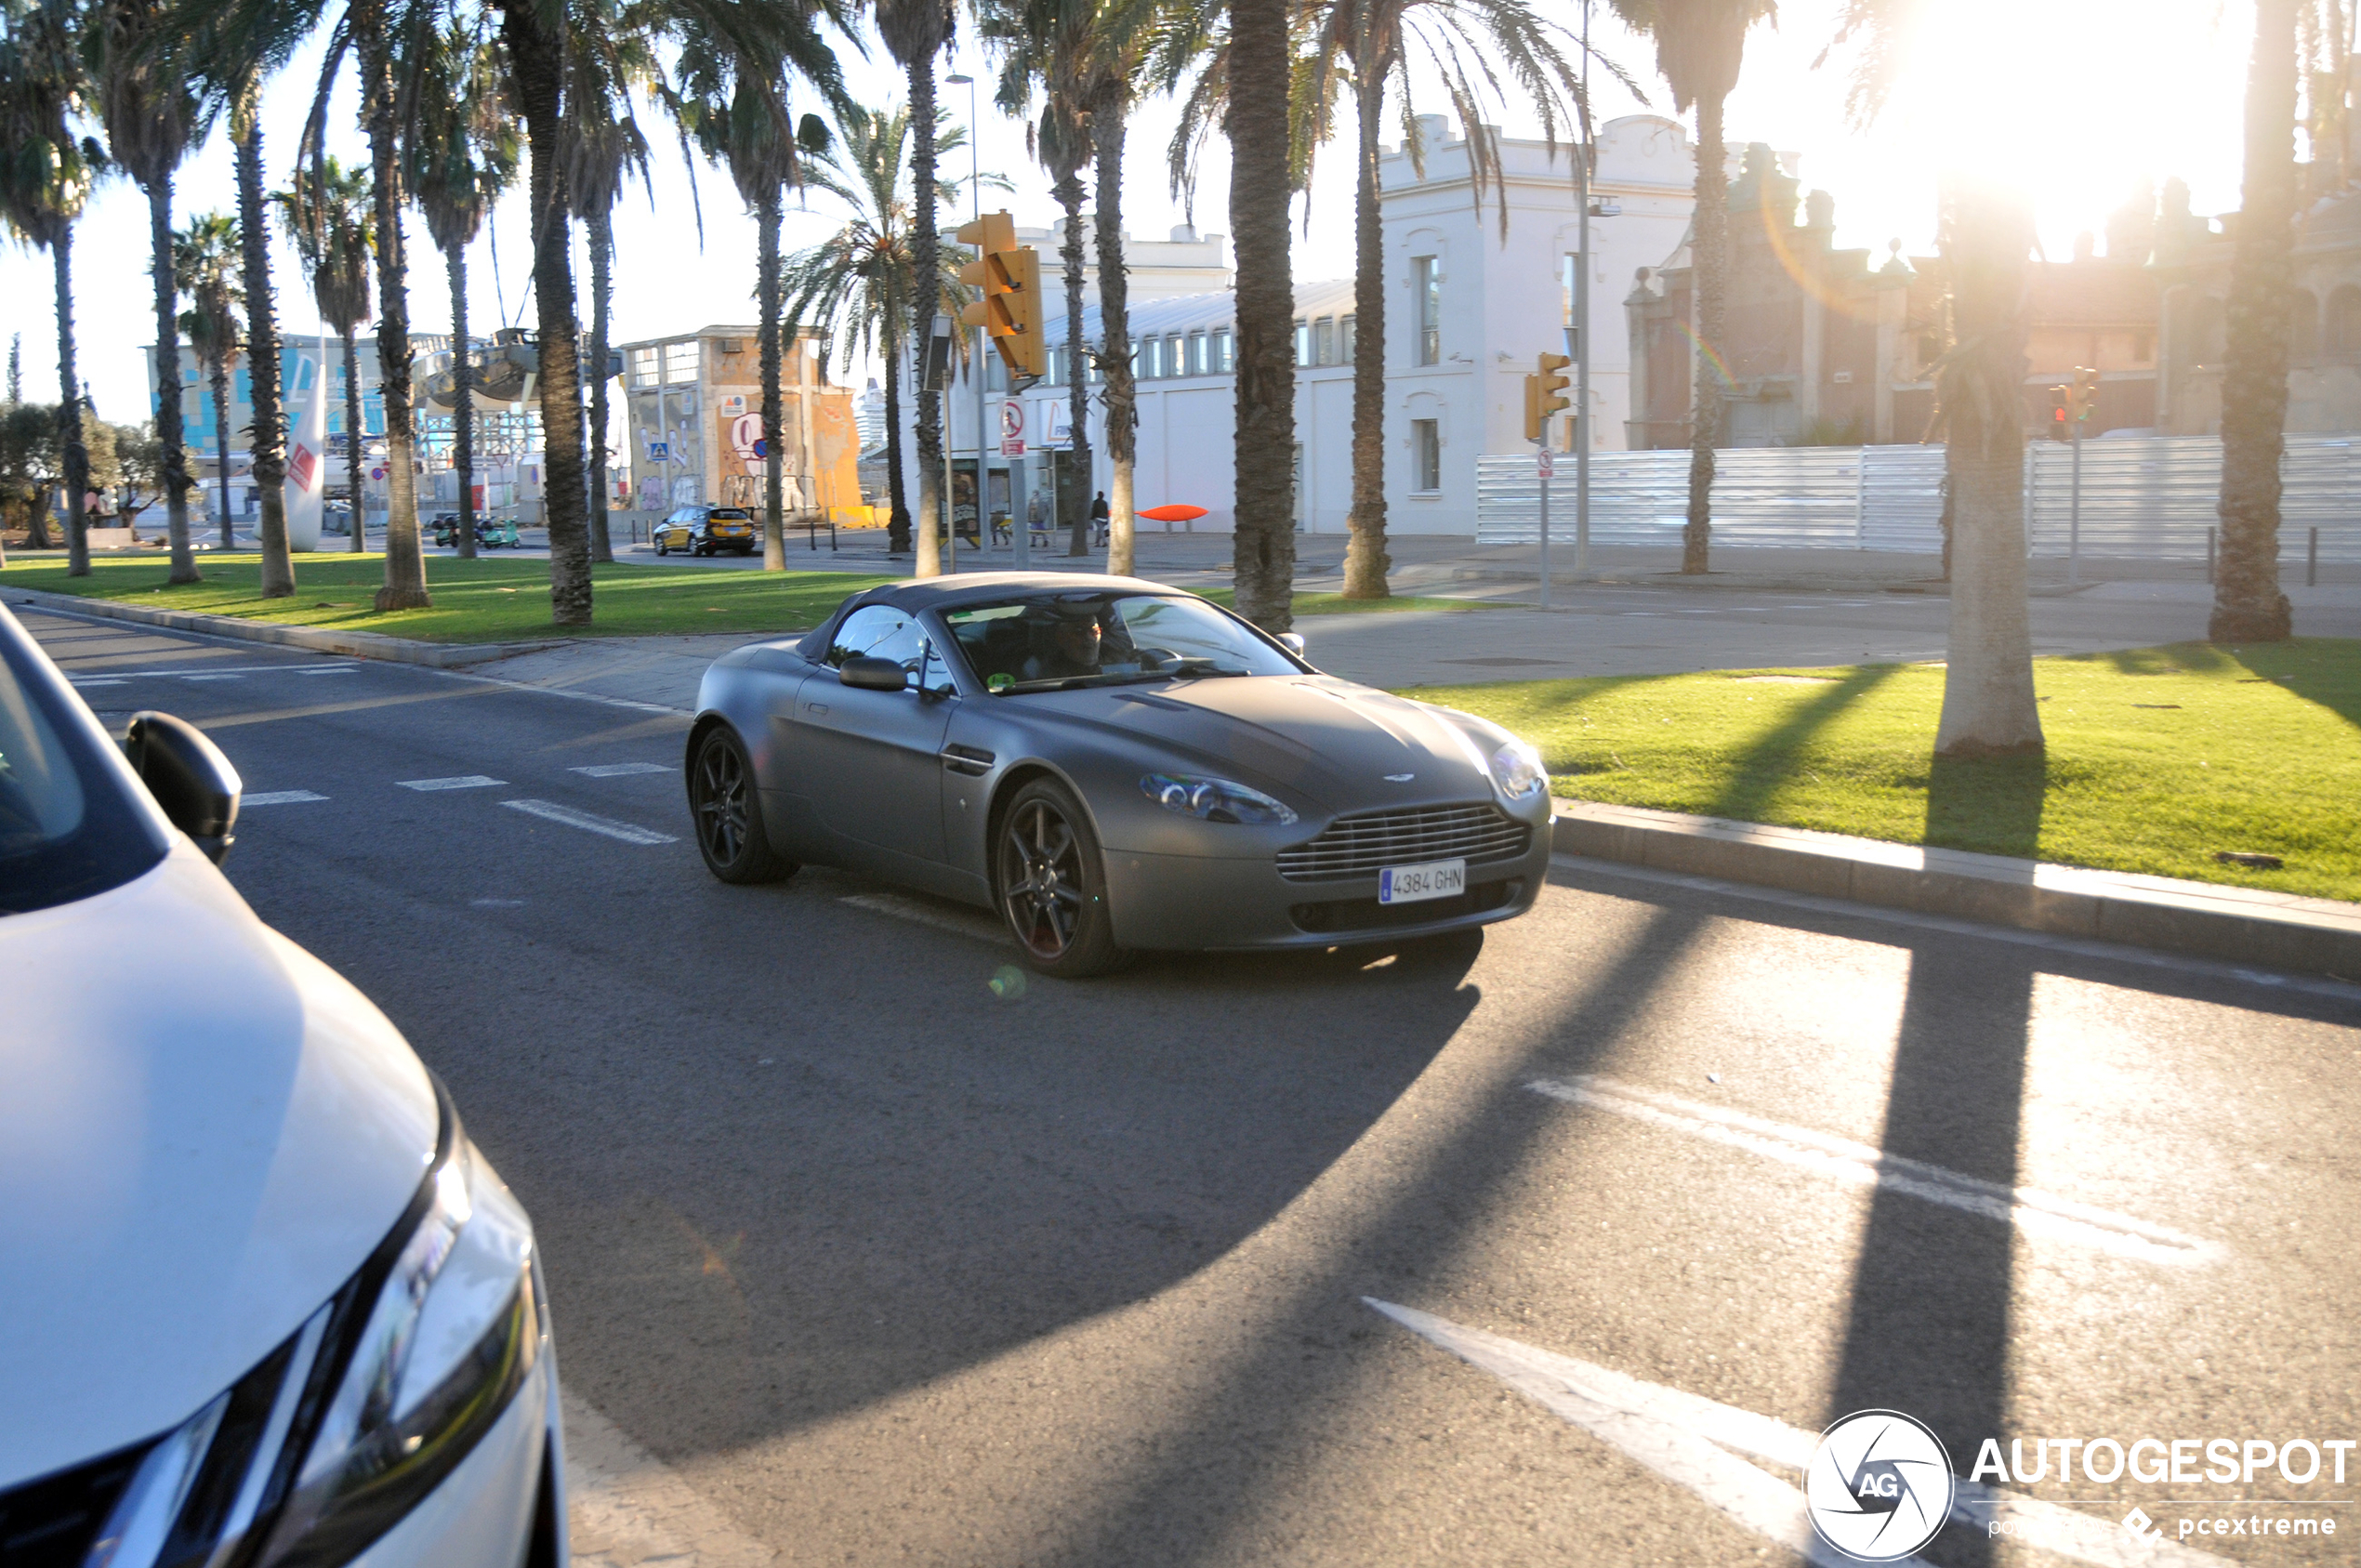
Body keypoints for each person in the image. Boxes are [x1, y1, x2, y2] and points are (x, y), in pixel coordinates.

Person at [1019, 605, 1106, 682]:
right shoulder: (1044, 673)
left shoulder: (1114, 662)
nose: (1089, 638)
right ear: (1061, 638)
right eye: (1078, 632)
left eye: (1094, 631)